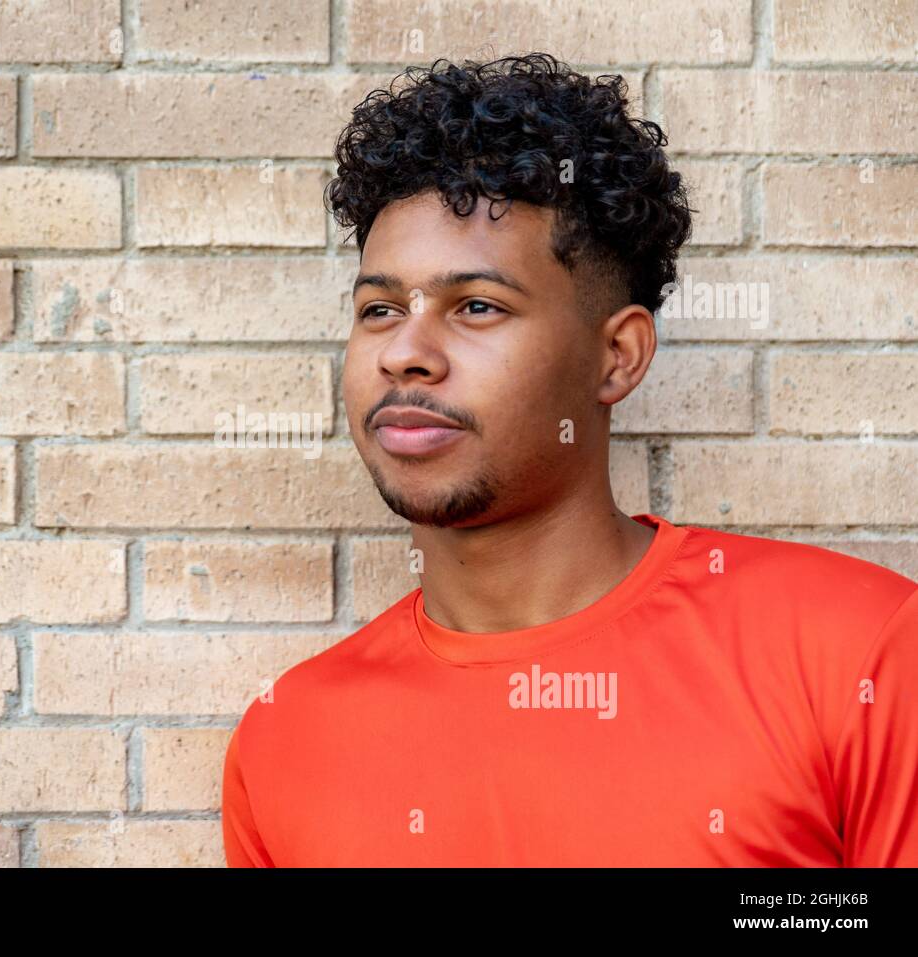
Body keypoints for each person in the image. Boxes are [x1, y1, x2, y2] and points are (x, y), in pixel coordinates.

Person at [221, 53, 918, 867]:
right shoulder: (287, 740)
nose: (405, 353)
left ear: (616, 356)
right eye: (380, 309)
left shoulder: (858, 652)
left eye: (476, 306)